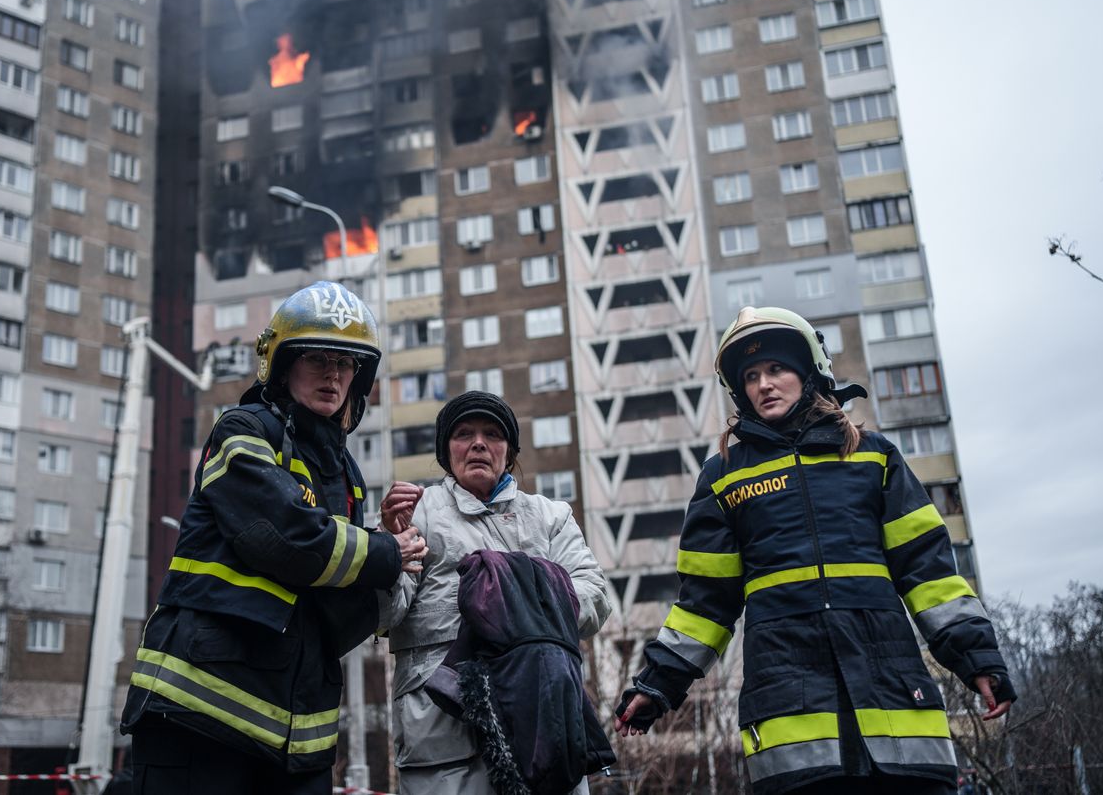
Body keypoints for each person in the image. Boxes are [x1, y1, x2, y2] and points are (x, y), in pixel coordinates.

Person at [615, 306, 1016, 795]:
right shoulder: (723, 477)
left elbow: (928, 571)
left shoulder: (873, 455)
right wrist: (658, 683)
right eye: (751, 376)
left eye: (776, 368)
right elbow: (705, 603)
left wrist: (976, 657)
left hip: (895, 703)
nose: (764, 384)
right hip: (792, 718)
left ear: (809, 372)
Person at [120, 281, 427, 795]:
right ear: (282, 366)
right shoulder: (243, 430)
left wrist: (392, 567)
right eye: (318, 358)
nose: (334, 374)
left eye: (346, 363)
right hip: (198, 714)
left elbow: (331, 609)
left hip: (297, 741)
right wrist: (382, 552)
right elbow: (282, 539)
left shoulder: (346, 475)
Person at [379, 391, 612, 794]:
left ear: (510, 451)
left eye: (492, 434)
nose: (478, 444)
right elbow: (384, 615)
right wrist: (387, 550)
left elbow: (594, 597)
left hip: (543, 721)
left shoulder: (551, 517)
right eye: (463, 434)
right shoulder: (417, 513)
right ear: (446, 452)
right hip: (442, 732)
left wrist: (513, 598)